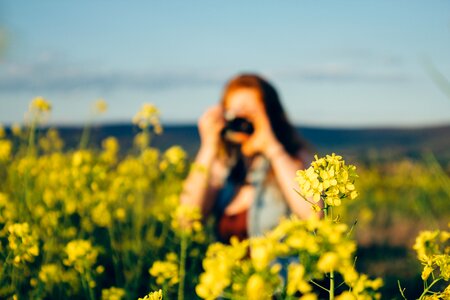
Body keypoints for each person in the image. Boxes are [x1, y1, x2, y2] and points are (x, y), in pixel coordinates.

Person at [180, 73, 315, 243]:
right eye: (233, 113)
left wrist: (273, 148)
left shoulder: (294, 157)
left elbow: (314, 215)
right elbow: (186, 220)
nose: (240, 121)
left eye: (250, 114)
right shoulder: (224, 166)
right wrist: (209, 146)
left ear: (270, 115)